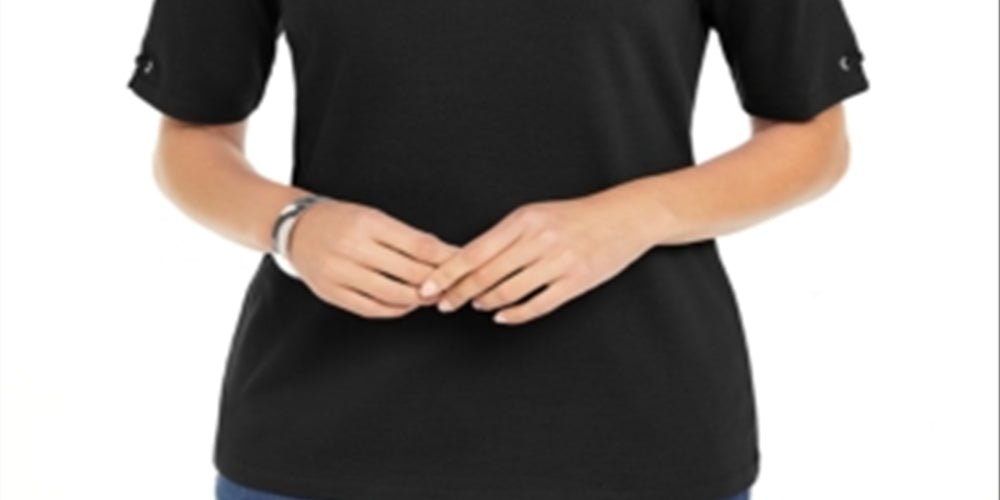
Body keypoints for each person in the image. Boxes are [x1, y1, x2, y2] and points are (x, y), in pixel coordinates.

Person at [126, 0, 869, 498]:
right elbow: (191, 138)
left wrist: (633, 216)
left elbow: (812, 137)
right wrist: (292, 224)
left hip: (636, 428)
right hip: (323, 428)